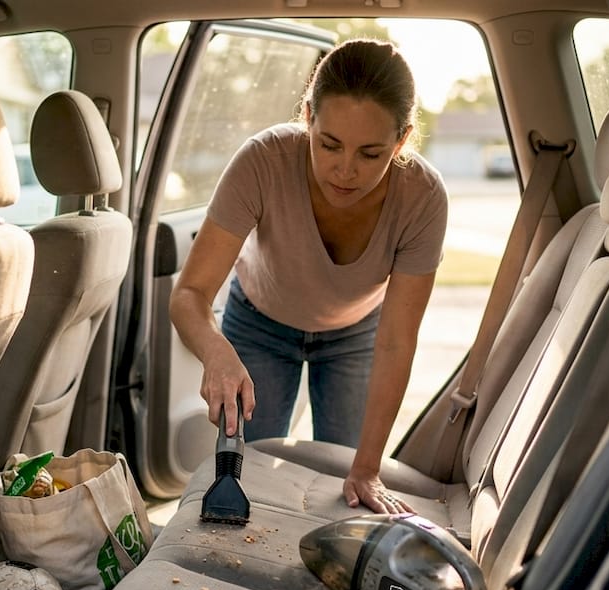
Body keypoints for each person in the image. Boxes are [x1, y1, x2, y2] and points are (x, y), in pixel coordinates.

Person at [169, 39, 447, 515]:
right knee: (245, 477)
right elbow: (189, 294)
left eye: (371, 154)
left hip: (357, 334)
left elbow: (397, 343)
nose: (345, 170)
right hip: (257, 323)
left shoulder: (423, 199)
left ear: (401, 141)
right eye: (330, 144)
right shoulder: (262, 161)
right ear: (307, 117)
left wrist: (369, 466)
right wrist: (216, 351)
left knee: (346, 487)